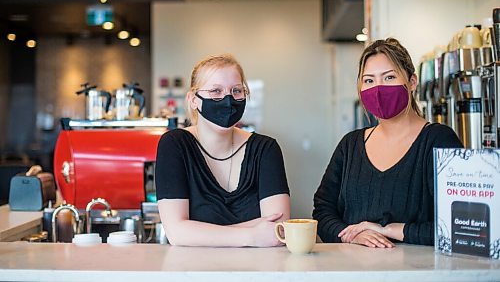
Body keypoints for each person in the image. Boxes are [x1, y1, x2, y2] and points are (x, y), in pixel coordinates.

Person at [313, 38, 463, 248]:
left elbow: (459, 224)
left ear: (412, 82)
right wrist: (351, 235)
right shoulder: (349, 146)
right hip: (351, 271)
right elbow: (322, 210)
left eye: (389, 77)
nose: (378, 88)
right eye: (369, 81)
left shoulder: (439, 141)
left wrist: (387, 230)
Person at [155, 54, 290, 247]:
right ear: (193, 99)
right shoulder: (175, 145)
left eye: (236, 91)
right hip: (193, 272)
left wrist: (199, 232)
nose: (228, 100)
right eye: (215, 91)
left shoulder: (266, 149)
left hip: (257, 272)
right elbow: (176, 233)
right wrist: (252, 235)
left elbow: (278, 228)